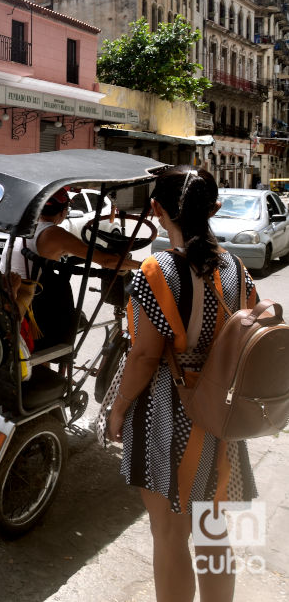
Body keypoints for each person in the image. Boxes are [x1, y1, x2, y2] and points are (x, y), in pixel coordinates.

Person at [107, 167, 258, 602]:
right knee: (213, 532)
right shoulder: (236, 267)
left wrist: (118, 410)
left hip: (166, 415)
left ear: (156, 211)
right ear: (214, 209)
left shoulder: (158, 271)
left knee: (169, 534)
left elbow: (144, 356)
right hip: (219, 414)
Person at [0, 186, 138, 349]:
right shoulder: (54, 233)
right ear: (64, 211)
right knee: (75, 317)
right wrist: (143, 265)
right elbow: (106, 261)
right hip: (30, 302)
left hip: (4, 290)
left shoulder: (28, 227)